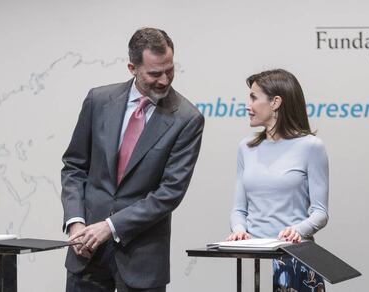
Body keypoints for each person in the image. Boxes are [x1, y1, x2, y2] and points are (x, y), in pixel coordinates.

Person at [61, 27, 204, 292]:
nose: (164, 80)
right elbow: (74, 167)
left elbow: (170, 192)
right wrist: (75, 222)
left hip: (142, 258)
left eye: (169, 70)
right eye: (154, 73)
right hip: (86, 253)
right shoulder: (98, 100)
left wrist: (110, 226)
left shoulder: (187, 119)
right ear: (132, 68)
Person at [227, 69, 328, 292]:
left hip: (296, 259)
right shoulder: (245, 148)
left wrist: (298, 230)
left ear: (275, 102)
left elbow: (320, 213)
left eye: (254, 97)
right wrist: (239, 229)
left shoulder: (311, 146)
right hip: (255, 256)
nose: (248, 105)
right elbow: (238, 210)